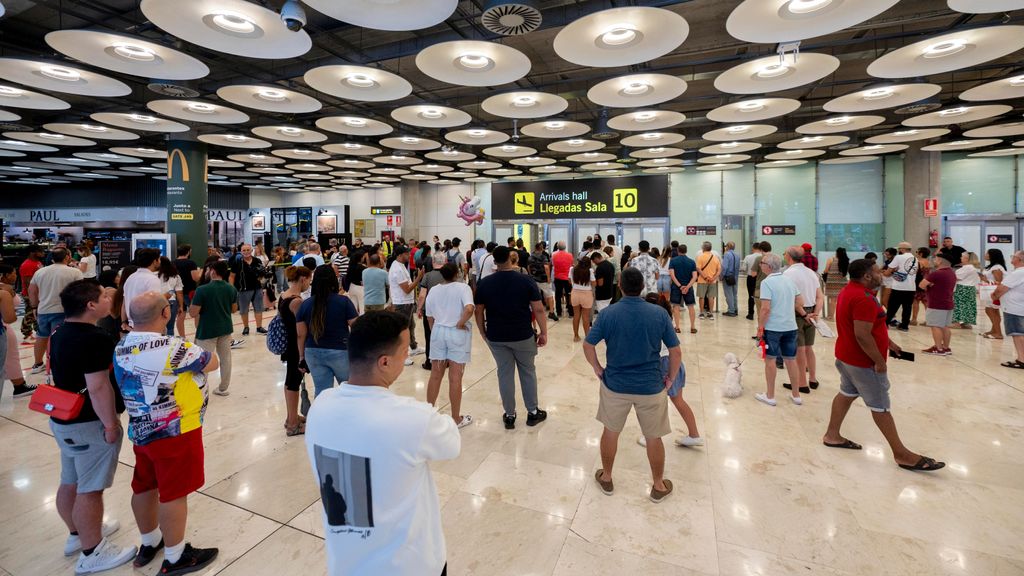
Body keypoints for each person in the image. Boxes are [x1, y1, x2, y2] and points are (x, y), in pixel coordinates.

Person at [305, 311, 460, 576]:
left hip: (345, 565)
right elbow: (452, 443)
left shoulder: (320, 406)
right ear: (385, 362)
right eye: (404, 352)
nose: (408, 357)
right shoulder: (412, 419)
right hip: (410, 567)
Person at [113, 292, 220, 573]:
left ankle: (150, 541)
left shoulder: (122, 346)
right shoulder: (175, 347)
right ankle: (175, 556)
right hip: (176, 431)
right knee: (174, 492)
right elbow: (212, 362)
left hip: (141, 429)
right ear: (165, 314)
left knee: (144, 484)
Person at [822, 259, 945, 472]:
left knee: (846, 394)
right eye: (878, 271)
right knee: (881, 407)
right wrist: (879, 360)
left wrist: (890, 343)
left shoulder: (849, 291)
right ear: (868, 276)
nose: (883, 274)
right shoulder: (863, 299)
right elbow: (862, 334)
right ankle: (902, 454)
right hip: (863, 362)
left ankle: (832, 435)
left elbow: (868, 328)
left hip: (846, 357)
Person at [48, 280, 136, 574]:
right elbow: (98, 387)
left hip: (64, 419)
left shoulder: (60, 330)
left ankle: (77, 535)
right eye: (103, 296)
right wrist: (110, 423)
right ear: (90, 305)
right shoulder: (94, 338)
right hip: (89, 422)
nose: (109, 298)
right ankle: (92, 551)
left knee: (70, 480)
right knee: (90, 489)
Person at [583, 268, 680, 503]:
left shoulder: (608, 314)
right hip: (651, 386)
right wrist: (670, 378)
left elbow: (588, 345)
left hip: (615, 385)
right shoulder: (659, 314)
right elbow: (676, 351)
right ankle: (658, 485)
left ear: (620, 286)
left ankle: (606, 477)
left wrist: (598, 369)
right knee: (654, 437)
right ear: (642, 286)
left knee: (610, 431)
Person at [474, 247, 548, 430]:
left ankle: (509, 415)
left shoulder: (485, 283)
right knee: (528, 372)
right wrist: (544, 332)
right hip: (522, 334)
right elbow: (538, 309)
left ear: (494, 261)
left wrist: (482, 331)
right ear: (510, 258)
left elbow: (479, 310)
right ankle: (532, 412)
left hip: (496, 335)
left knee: (504, 374)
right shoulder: (525, 280)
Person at [424, 263, 475, 429]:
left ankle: (430, 416)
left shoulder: (434, 290)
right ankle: (455, 418)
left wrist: (436, 332)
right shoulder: (462, 288)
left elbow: (429, 317)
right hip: (456, 333)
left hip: (438, 332)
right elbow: (469, 309)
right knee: (455, 377)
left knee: (435, 375)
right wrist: (460, 323)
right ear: (457, 273)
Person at [295, 266, 359, 398]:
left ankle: (321, 416)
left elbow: (301, 335)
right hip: (340, 350)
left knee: (321, 391)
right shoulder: (344, 302)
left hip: (313, 351)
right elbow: (357, 328)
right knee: (348, 390)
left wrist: (301, 357)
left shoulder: (305, 304)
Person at [755, 253, 807, 407]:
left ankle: (770, 396)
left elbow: (765, 309)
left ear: (768, 266)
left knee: (770, 360)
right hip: (791, 327)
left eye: (762, 263)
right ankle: (796, 395)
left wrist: (760, 328)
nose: (760, 265)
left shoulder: (767, 283)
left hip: (773, 328)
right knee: (791, 360)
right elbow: (800, 301)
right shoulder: (788, 280)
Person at [28, 247, 83, 374]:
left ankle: (37, 364)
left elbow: (32, 290)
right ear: (67, 257)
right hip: (64, 310)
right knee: (59, 339)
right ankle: (56, 364)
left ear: (52, 258)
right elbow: (80, 291)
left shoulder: (40, 272)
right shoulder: (74, 272)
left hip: (43, 310)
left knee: (41, 336)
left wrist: (34, 307)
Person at [189, 260, 238, 396]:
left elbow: (193, 313)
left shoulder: (202, 290)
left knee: (203, 360)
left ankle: (200, 388)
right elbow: (234, 309)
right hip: (225, 328)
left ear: (213, 272)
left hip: (207, 330)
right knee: (226, 358)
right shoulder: (231, 288)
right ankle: (223, 387)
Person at [782, 246, 824, 394]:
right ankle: (813, 379)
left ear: (789, 256)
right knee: (808, 348)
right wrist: (815, 313)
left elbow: (792, 299)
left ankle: (802, 383)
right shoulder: (812, 273)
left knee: (799, 349)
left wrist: (804, 314)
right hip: (812, 311)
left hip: (797, 313)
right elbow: (820, 296)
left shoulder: (788, 274)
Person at [278, 265, 313, 435]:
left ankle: (291, 416)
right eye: (309, 280)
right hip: (295, 347)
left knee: (289, 381)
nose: (309, 283)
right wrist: (302, 355)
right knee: (294, 383)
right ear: (303, 279)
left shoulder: (284, 295)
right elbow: (301, 332)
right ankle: (293, 424)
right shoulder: (297, 301)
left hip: (288, 345)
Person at [0, 264, 35, 397]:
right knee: (11, 357)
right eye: (14, 273)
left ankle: (19, 384)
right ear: (6, 275)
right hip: (3, 327)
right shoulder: (5, 290)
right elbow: (10, 318)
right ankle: (19, 386)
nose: (16, 275)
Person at [389, 246, 425, 364]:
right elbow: (407, 289)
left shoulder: (400, 265)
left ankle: (413, 347)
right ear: (400, 255)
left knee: (411, 326)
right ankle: (401, 355)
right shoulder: (397, 269)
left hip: (406, 302)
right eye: (406, 254)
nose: (409, 256)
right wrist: (419, 278)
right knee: (402, 330)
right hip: (402, 303)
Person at [920, 253, 956, 356]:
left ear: (940, 261)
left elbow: (922, 285)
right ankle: (946, 347)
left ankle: (938, 348)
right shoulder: (951, 273)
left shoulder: (936, 273)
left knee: (935, 325)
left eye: (935, 259)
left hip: (936, 303)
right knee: (945, 326)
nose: (934, 260)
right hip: (948, 302)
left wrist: (929, 285)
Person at [417, 252, 449, 371]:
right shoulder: (449, 276)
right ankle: (445, 361)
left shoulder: (427, 276)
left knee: (429, 335)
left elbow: (422, 295)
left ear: (432, 262)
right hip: (446, 311)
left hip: (430, 311)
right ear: (445, 261)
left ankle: (430, 361)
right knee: (445, 335)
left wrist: (419, 308)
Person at [993, 250, 1024, 369]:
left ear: (1019, 260)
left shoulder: (1018, 273)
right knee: (1017, 333)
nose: (1012, 258)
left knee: (1018, 333)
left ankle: (1022, 359)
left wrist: (994, 295)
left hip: (1015, 308)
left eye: (1013, 256)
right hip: (1018, 306)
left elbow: (1002, 288)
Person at [228, 244, 267, 336]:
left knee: (259, 308)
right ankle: (246, 327)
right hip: (243, 289)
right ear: (241, 251)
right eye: (244, 250)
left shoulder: (257, 261)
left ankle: (259, 327)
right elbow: (231, 276)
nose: (246, 252)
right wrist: (231, 288)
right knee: (244, 309)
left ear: (251, 250)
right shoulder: (237, 262)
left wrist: (261, 277)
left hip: (257, 288)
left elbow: (262, 274)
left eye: (248, 250)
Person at [122, 248, 162, 330]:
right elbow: (155, 305)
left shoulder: (130, 277)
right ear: (155, 261)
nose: (160, 261)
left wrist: (124, 323)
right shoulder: (152, 279)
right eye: (159, 259)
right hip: (148, 326)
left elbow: (124, 303)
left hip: (132, 325)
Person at [883, 242, 919, 332]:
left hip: (898, 287)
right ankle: (904, 326)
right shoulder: (915, 259)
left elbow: (887, 273)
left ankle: (884, 324)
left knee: (892, 307)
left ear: (902, 249)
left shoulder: (899, 257)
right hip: (911, 287)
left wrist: (888, 272)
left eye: (899, 249)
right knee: (907, 307)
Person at [668, 243, 698, 334]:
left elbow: (672, 275)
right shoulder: (692, 261)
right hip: (688, 287)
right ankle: (692, 327)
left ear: (678, 251)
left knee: (676, 306)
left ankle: (677, 327)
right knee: (691, 306)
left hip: (676, 287)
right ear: (686, 251)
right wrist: (687, 286)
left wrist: (680, 286)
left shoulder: (673, 261)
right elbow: (694, 276)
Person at [19, 244, 45, 341]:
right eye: (40, 251)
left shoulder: (37, 262)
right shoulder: (27, 265)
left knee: (35, 314)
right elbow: (28, 283)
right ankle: (26, 332)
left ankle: (37, 330)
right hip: (30, 294)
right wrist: (32, 296)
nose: (42, 253)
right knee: (30, 314)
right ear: (33, 253)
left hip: (38, 293)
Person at [981, 249, 1007, 340]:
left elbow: (999, 281)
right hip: (989, 291)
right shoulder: (991, 266)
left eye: (987, 253)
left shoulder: (997, 267)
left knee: (991, 311)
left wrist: (985, 280)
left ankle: (998, 333)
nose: (985, 254)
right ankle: (994, 330)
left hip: (994, 292)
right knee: (992, 311)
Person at [175, 245, 199, 338]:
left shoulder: (173, 263)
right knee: (197, 313)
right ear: (188, 252)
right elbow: (195, 278)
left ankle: (182, 337)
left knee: (181, 315)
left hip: (178, 292)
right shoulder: (191, 263)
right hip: (190, 291)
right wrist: (200, 273)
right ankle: (198, 334)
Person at [953, 252, 980, 329]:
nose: (960, 258)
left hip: (963, 288)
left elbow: (957, 277)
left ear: (967, 259)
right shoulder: (973, 267)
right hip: (970, 288)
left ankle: (956, 323)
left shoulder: (967, 267)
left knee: (959, 305)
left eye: (962, 257)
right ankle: (966, 322)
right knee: (968, 306)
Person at [570, 256, 595, 342]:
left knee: (576, 315)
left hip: (575, 293)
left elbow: (569, 281)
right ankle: (587, 337)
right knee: (586, 317)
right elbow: (594, 283)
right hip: (587, 294)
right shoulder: (590, 271)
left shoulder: (572, 269)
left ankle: (576, 336)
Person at [157, 257, 183, 337]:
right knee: (170, 327)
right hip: (172, 302)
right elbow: (179, 293)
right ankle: (169, 346)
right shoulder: (176, 276)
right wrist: (181, 306)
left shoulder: (155, 275)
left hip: (158, 302)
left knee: (157, 327)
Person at [695, 241, 721, 319]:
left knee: (701, 297)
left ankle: (702, 313)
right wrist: (713, 278)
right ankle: (711, 313)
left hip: (702, 280)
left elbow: (698, 268)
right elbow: (719, 270)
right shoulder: (715, 258)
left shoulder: (700, 257)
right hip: (712, 281)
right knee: (711, 297)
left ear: (703, 248)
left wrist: (705, 277)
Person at [823, 247, 849, 320]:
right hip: (843, 282)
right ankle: (842, 316)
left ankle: (831, 316)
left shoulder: (831, 259)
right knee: (842, 300)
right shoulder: (846, 261)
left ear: (836, 252)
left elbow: (826, 271)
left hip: (832, 282)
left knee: (833, 300)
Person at [551, 241, 573, 319]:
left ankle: (559, 311)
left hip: (557, 277)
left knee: (558, 295)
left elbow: (553, 265)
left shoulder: (554, 256)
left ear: (557, 246)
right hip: (567, 278)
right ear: (565, 247)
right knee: (569, 295)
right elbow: (571, 265)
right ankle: (571, 312)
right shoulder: (569, 255)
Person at [910, 247, 932, 326]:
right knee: (926, 302)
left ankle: (914, 320)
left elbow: (914, 273)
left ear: (921, 253)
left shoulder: (918, 262)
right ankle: (929, 320)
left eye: (917, 251)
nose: (916, 253)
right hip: (926, 282)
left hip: (918, 283)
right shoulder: (928, 262)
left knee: (915, 301)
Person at [741, 242, 762, 320]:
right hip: (762, 278)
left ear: (753, 248)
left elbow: (743, 268)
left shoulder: (748, 257)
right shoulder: (764, 257)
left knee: (751, 295)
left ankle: (750, 314)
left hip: (751, 278)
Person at [721, 241, 739, 316]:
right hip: (735, 277)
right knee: (734, 293)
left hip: (728, 277)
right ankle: (735, 309)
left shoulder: (727, 254)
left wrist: (721, 276)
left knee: (728, 294)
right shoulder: (737, 254)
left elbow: (724, 267)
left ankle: (731, 310)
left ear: (727, 247)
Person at [346, 246, 366, 315]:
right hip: (360, 288)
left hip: (352, 287)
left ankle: (354, 323)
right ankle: (362, 323)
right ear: (360, 258)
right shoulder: (363, 268)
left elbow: (348, 277)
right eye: (363, 256)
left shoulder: (351, 266)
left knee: (354, 308)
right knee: (362, 307)